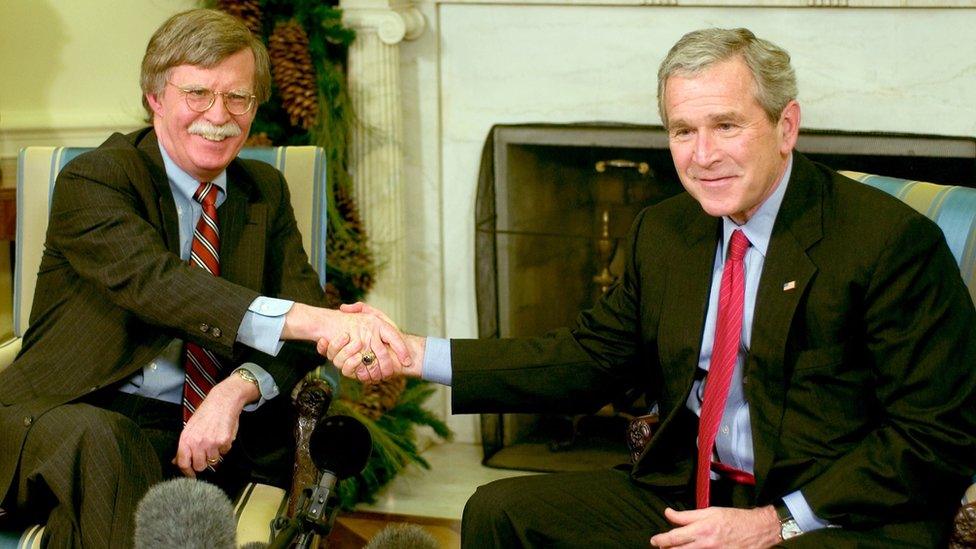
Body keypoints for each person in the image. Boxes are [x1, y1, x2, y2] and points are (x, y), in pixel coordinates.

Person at [327, 28, 976, 548]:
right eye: (682, 131)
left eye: (726, 125)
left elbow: (933, 437)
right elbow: (584, 358)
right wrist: (416, 354)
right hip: (692, 492)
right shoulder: (667, 231)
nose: (702, 154)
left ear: (786, 126)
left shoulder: (889, 242)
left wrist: (773, 522)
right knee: (500, 511)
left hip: (842, 513)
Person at [0, 9, 408, 547]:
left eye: (238, 97)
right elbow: (159, 283)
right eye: (197, 93)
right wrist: (317, 321)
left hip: (209, 435)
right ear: (154, 97)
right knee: (108, 445)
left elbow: (300, 320)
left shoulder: (263, 190)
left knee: (104, 511)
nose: (219, 115)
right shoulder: (97, 178)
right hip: (76, 411)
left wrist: (234, 392)